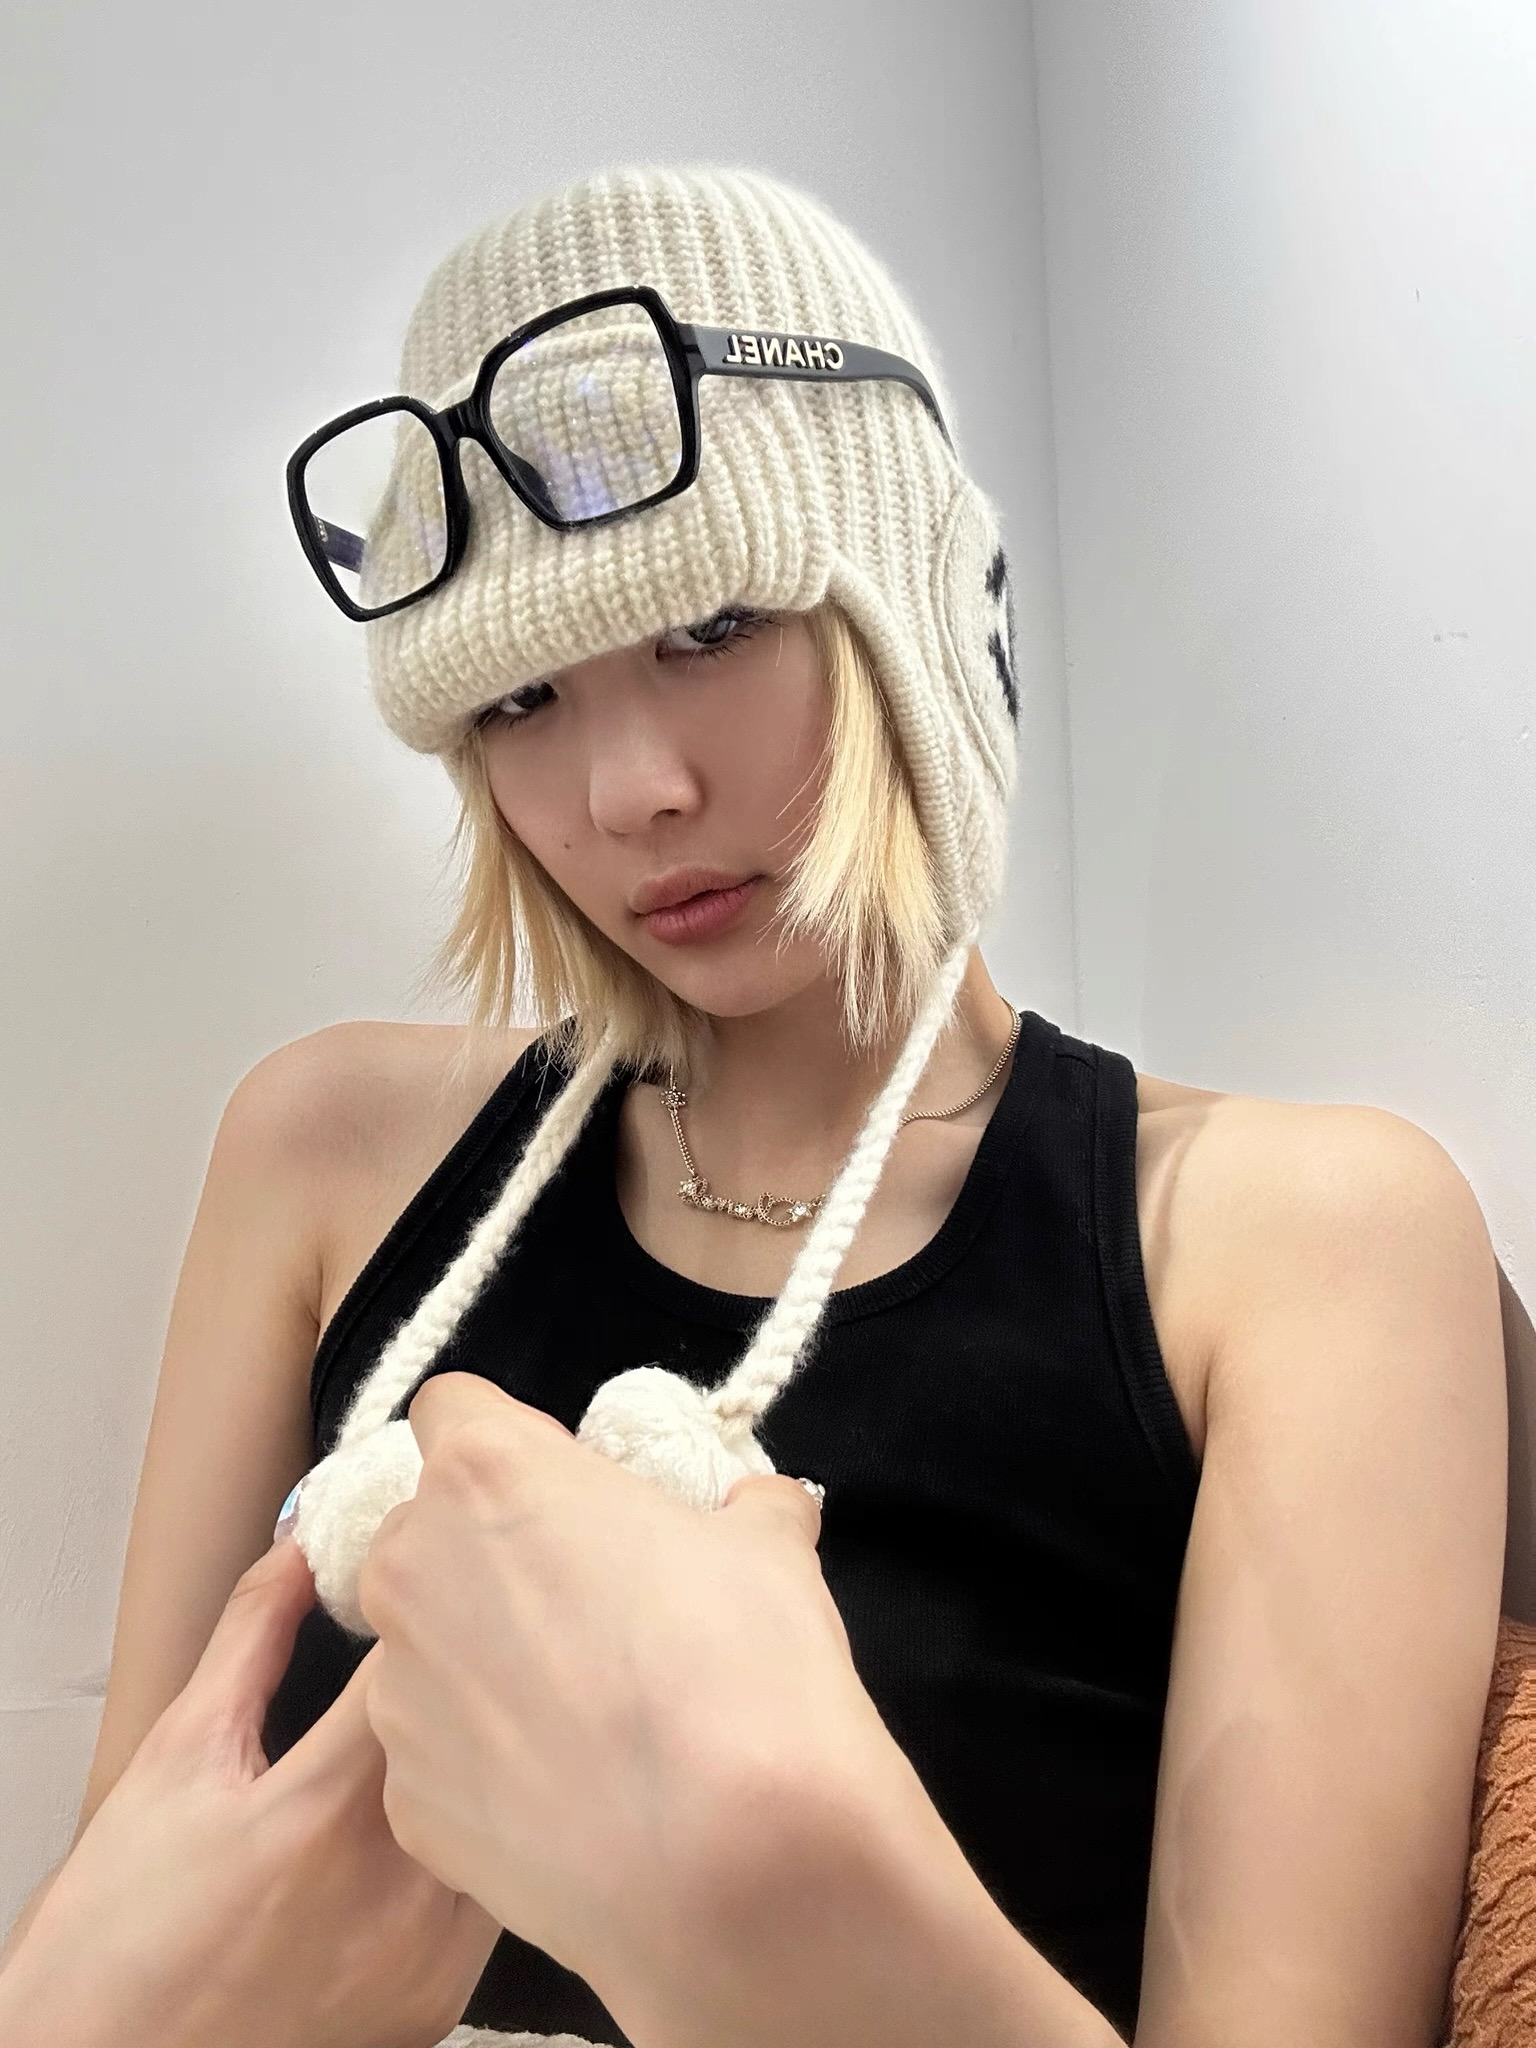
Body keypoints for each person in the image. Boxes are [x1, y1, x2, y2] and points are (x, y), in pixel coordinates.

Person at [0, 162, 1507, 2048]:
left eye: (709, 626)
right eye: (521, 698)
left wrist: (801, 1897)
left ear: (907, 609)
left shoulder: (1295, 1243)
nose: (626, 789)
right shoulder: (327, 1155)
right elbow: (122, 1929)